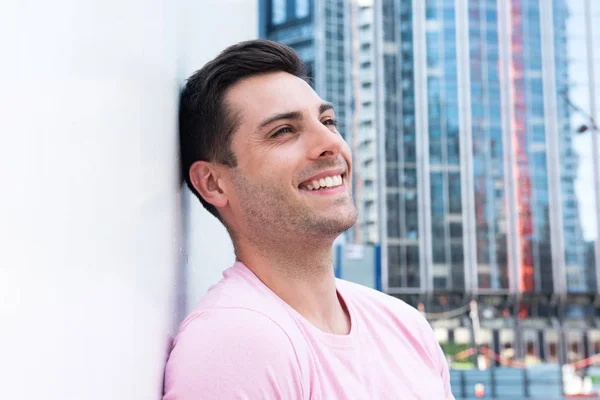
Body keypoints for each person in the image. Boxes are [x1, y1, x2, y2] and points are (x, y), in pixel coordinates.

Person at [163, 39, 455, 400]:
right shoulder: (235, 342)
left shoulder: (404, 325)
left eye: (328, 121)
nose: (330, 143)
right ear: (213, 183)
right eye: (283, 130)